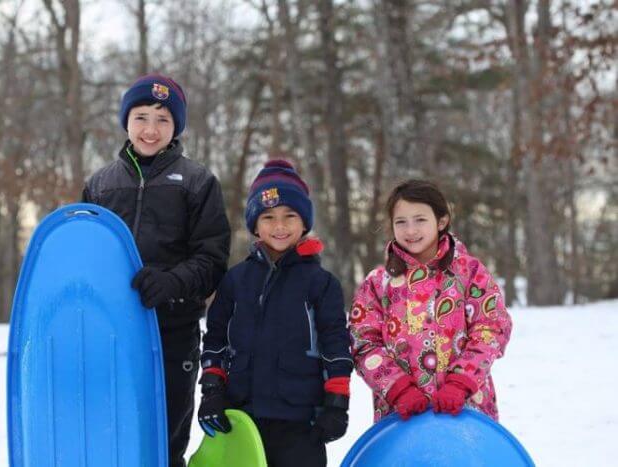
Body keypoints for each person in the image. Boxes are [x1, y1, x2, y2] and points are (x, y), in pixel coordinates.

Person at [81, 73, 231, 467]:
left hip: (173, 331)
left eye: (163, 120)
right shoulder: (100, 186)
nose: (151, 129)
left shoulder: (198, 183)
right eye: (142, 117)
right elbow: (85, 257)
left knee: (164, 435)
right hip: (112, 331)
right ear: (126, 121)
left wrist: (171, 283)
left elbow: (213, 259)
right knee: (111, 429)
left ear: (176, 127)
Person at [197, 160, 353, 467]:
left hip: (300, 421)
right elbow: (216, 337)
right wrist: (212, 390)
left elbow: (335, 344)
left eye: (289, 216)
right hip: (243, 416)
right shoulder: (236, 280)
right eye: (268, 217)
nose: (279, 226)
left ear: (304, 223)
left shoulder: (321, 284)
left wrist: (337, 402)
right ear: (255, 225)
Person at [349, 179, 512, 423]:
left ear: (441, 221)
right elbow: (363, 342)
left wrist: (461, 382)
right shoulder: (378, 284)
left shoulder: (469, 273)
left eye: (420, 220)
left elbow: (491, 328)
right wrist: (398, 388)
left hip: (465, 411)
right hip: (402, 415)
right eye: (401, 222)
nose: (410, 230)